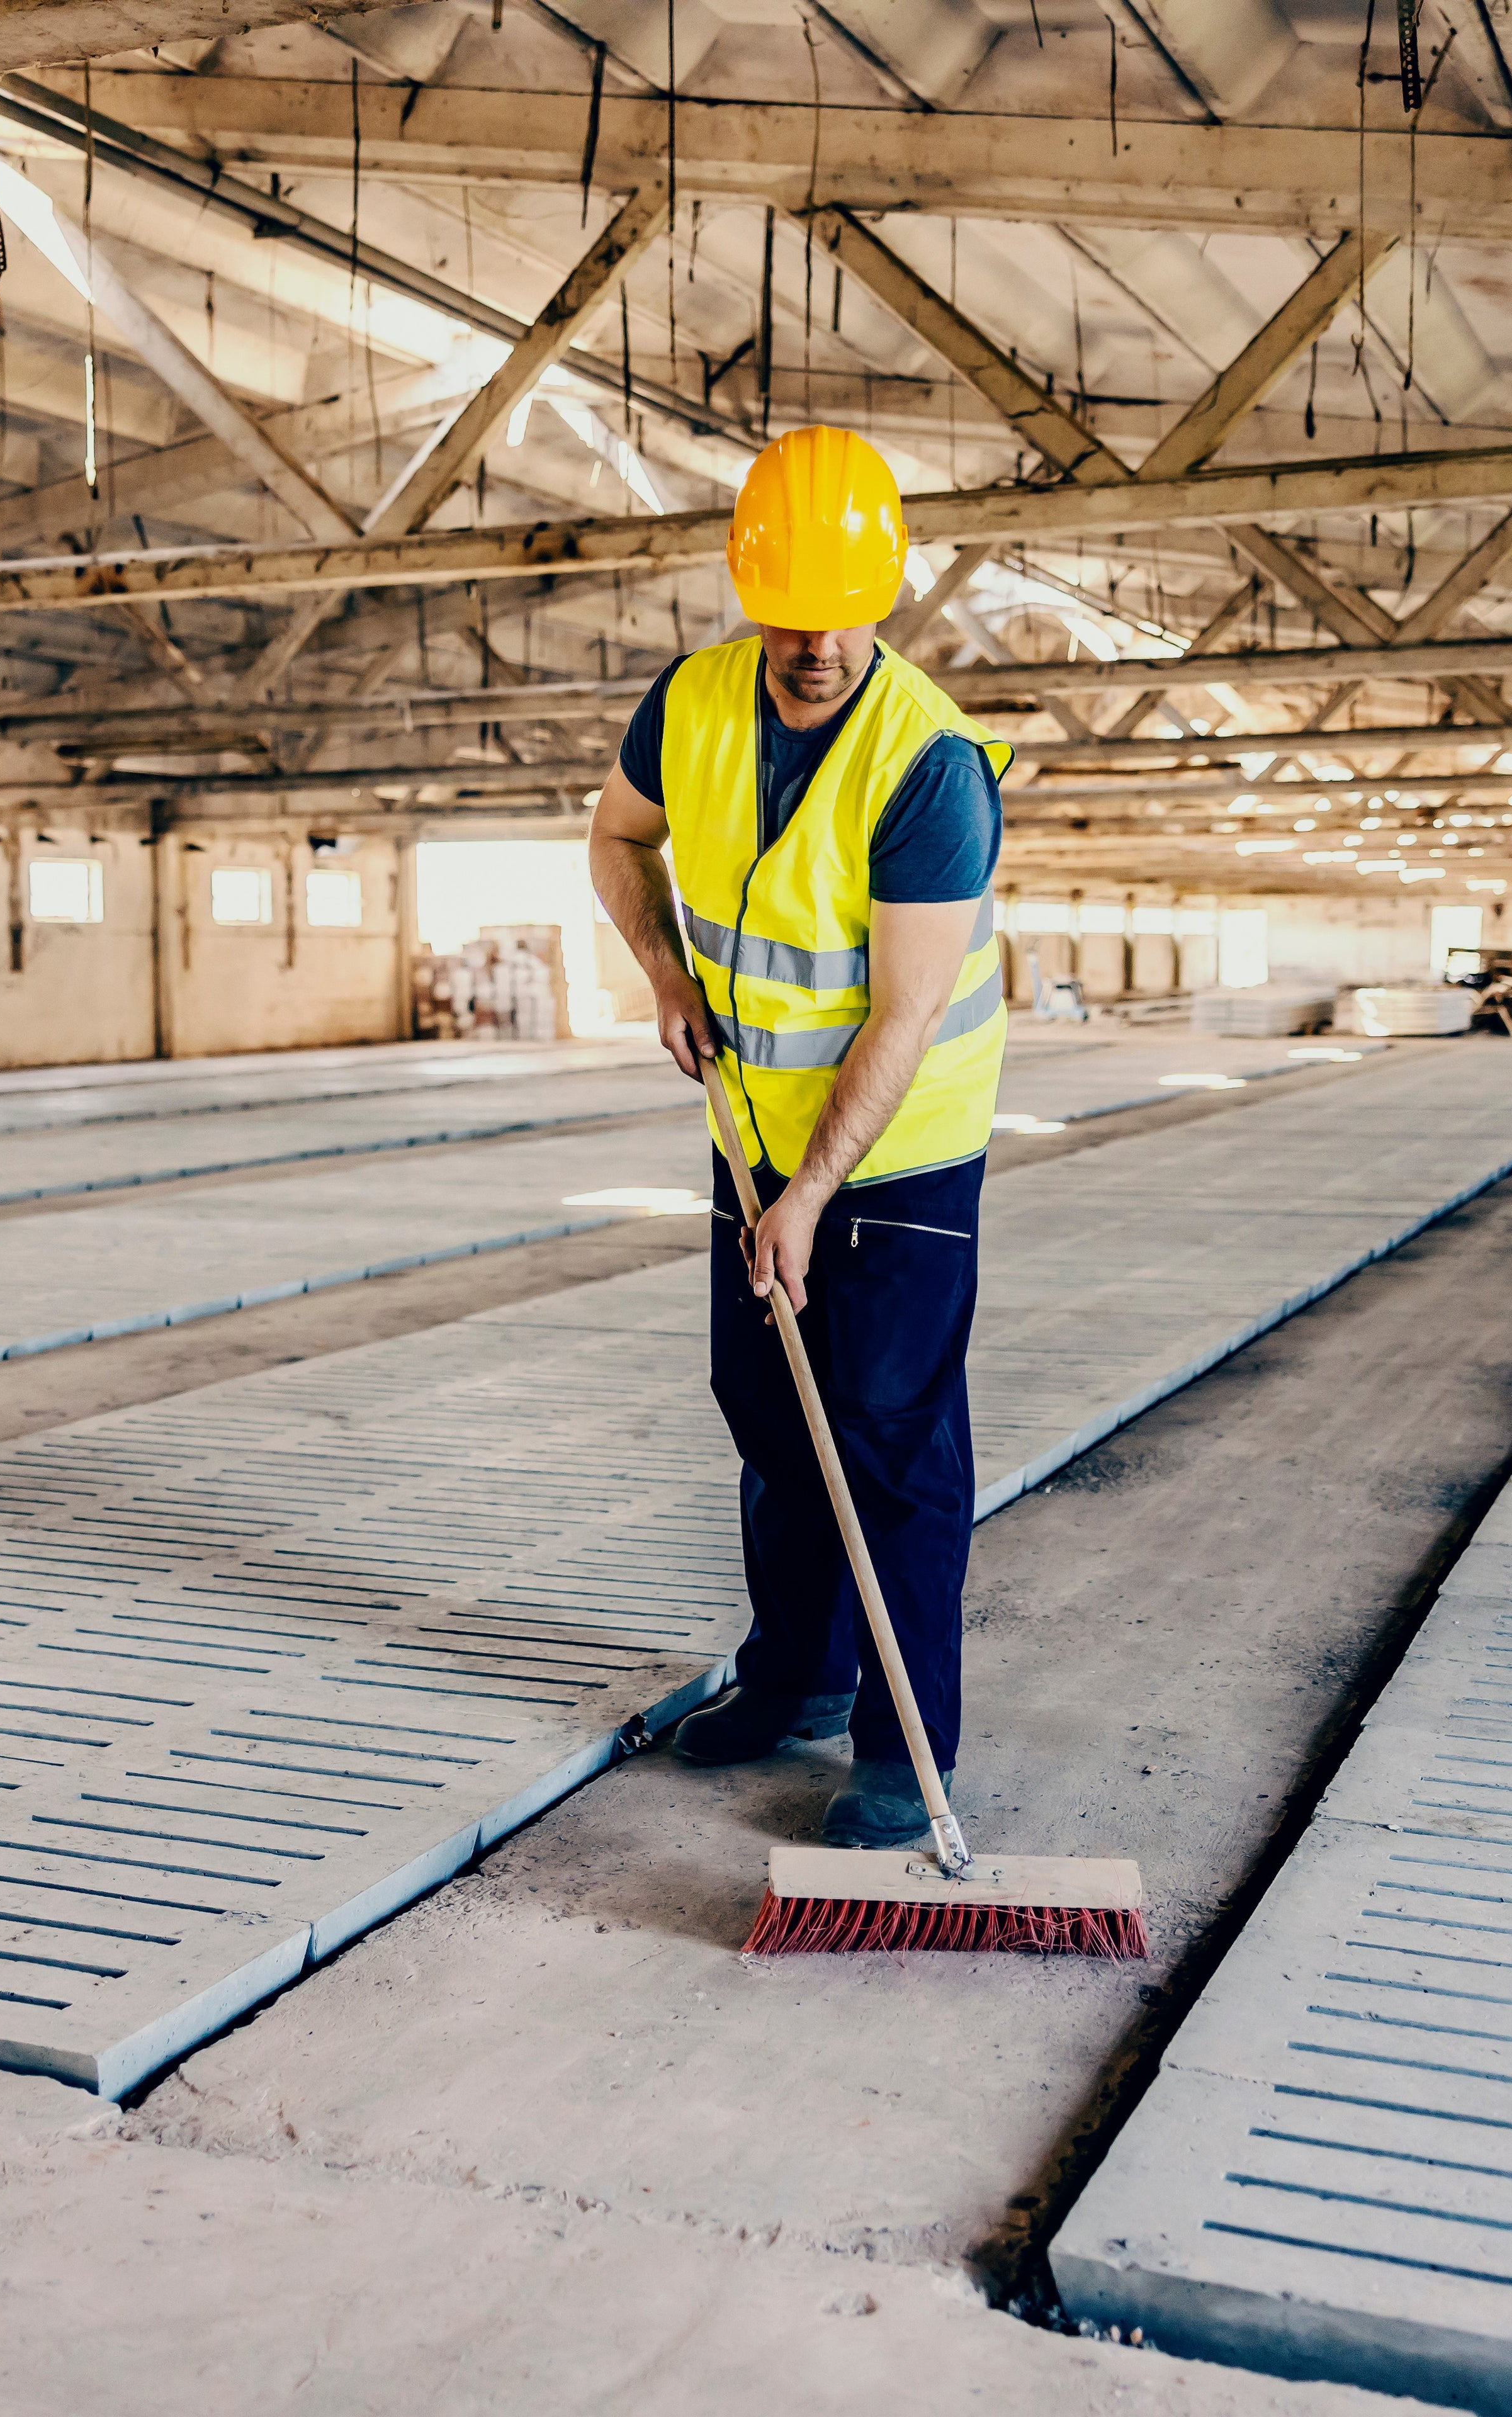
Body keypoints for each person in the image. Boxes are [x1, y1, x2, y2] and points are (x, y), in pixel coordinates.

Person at [586, 425, 1010, 1850]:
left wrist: (814, 1193)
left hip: (898, 1155)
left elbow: (902, 1015)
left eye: (843, 616)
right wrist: (664, 975)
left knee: (888, 1445)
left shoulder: (930, 767)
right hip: (752, 1133)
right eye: (790, 615)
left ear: (883, 599)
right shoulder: (691, 705)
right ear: (749, 587)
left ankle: (905, 1748)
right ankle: (796, 1682)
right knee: (772, 1418)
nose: (815, 645)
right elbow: (616, 841)